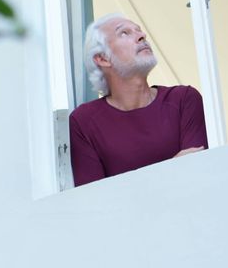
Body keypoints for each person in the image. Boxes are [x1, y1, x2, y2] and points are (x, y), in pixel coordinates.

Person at [69, 13, 208, 186]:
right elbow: (96, 202)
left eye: (139, 30)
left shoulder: (184, 100)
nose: (142, 36)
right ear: (102, 58)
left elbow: (196, 177)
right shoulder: (83, 122)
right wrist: (173, 167)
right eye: (124, 33)